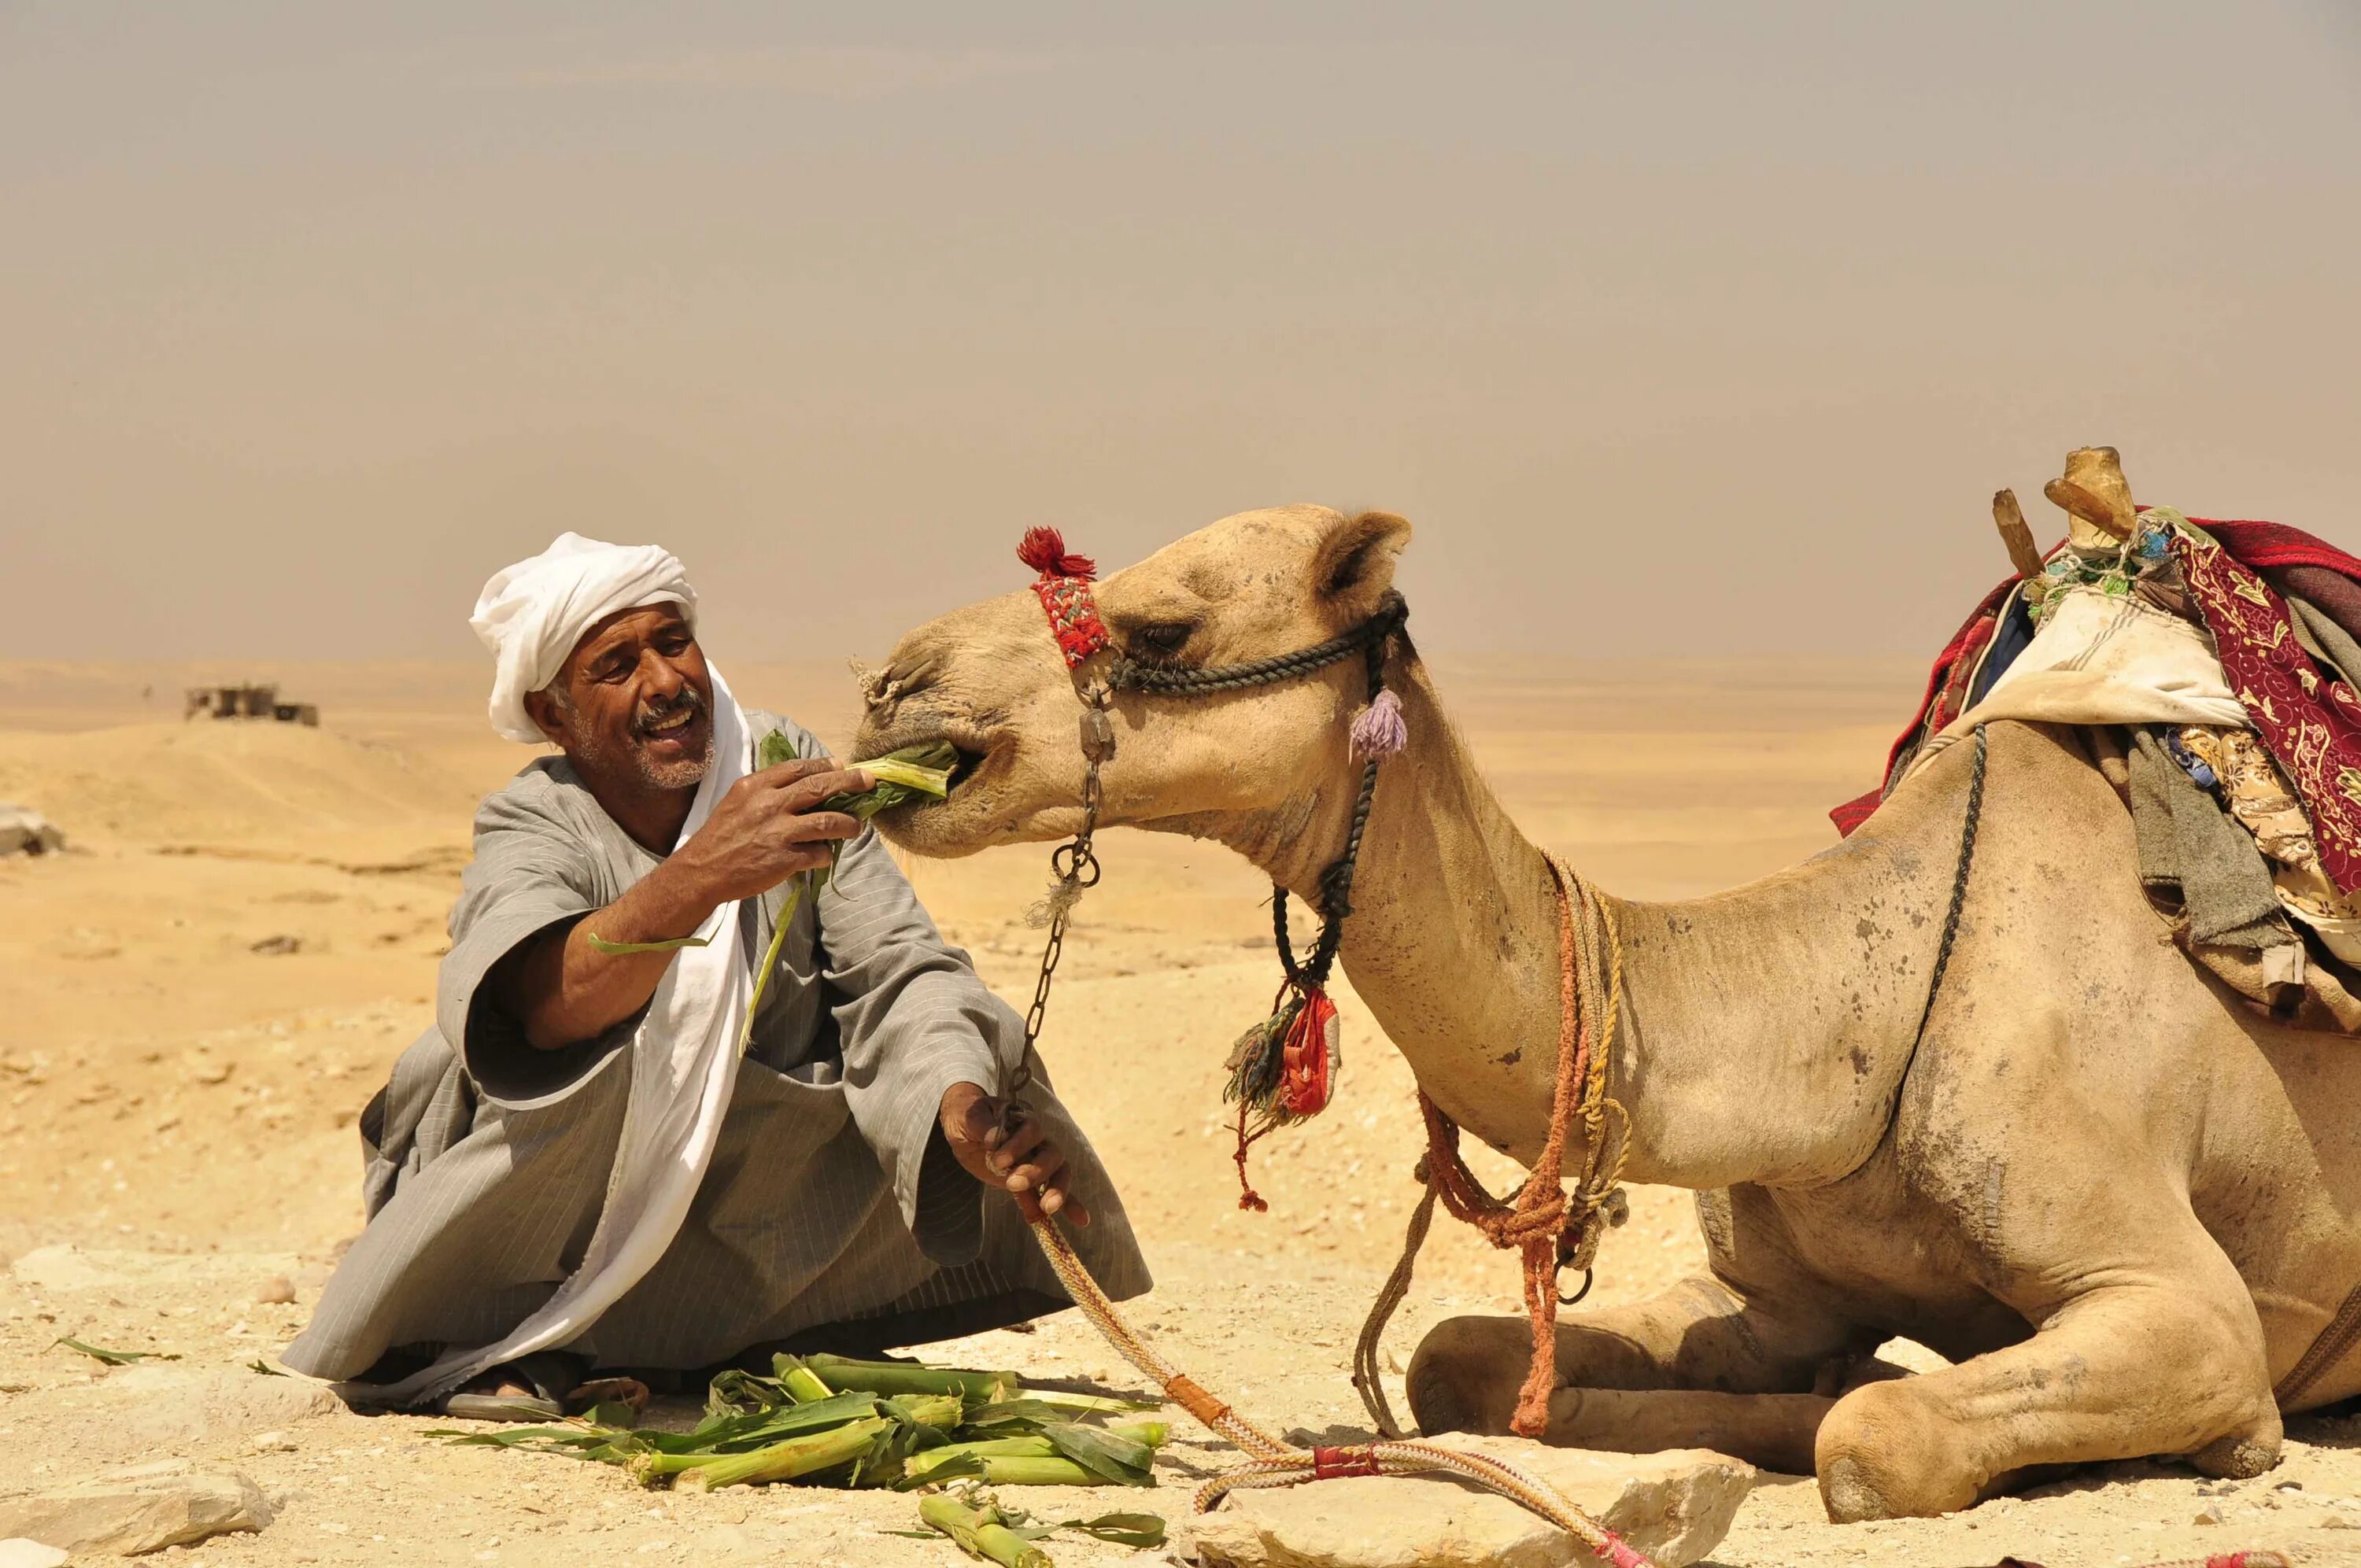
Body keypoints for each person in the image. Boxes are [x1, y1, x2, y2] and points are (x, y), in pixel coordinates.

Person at [283, 534, 1147, 1415]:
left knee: (970, 1035)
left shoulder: (780, 768)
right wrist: (705, 873)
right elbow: (543, 1011)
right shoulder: (536, 816)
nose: (664, 681)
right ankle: (505, 1332)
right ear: (554, 715)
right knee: (619, 1060)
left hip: (745, 1196)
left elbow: (895, 965)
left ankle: (721, 1329)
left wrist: (956, 1108)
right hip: (572, 1182)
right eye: (616, 665)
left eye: (673, 641)